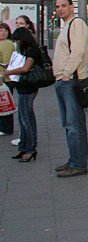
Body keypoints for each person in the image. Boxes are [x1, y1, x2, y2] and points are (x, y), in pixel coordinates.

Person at [52, 0, 88, 178]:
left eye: (63, 6)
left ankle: (78, 163)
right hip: (63, 80)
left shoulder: (77, 24)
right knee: (69, 124)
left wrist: (67, 73)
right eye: (58, 6)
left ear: (71, 6)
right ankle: (73, 159)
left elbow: (78, 51)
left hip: (70, 81)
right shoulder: (66, 25)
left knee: (74, 124)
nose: (60, 9)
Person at [3, 28, 41, 162]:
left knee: (26, 119)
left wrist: (8, 72)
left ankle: (30, 148)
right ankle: (23, 146)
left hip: (28, 87)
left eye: (17, 40)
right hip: (23, 87)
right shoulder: (24, 50)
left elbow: (25, 68)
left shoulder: (32, 51)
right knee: (22, 118)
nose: (16, 43)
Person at [0, 24, 14, 136]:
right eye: (1, 31)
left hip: (5, 78)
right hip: (4, 77)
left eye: (5, 31)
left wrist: (2, 76)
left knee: (5, 102)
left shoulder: (7, 44)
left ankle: (6, 127)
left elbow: (6, 62)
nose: (3, 33)